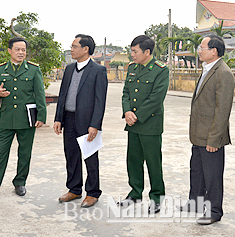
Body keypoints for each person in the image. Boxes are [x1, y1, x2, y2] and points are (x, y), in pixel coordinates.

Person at [0, 37, 46, 202]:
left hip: (26, 119)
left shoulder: (33, 70)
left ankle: (20, 182)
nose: (21, 52)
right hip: (7, 119)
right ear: (10, 50)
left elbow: (40, 94)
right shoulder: (1, 70)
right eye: (18, 49)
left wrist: (42, 116)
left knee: (25, 153)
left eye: (23, 50)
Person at [185, 34, 235, 225]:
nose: (198, 50)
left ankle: (214, 211)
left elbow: (222, 110)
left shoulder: (223, 73)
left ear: (214, 51)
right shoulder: (207, 69)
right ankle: (196, 203)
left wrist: (214, 139)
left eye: (202, 47)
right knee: (197, 171)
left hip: (211, 137)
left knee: (212, 175)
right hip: (199, 134)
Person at [54, 34, 108, 208]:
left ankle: (92, 193)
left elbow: (100, 101)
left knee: (90, 157)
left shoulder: (98, 71)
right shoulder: (69, 69)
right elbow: (62, 95)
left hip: (87, 122)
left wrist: (95, 125)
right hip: (69, 119)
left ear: (85, 49)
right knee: (71, 156)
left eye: (74, 46)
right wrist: (58, 119)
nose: (71, 49)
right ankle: (74, 189)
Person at [118, 35, 169, 214]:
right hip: (132, 123)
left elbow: (156, 98)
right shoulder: (132, 68)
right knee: (133, 160)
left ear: (147, 52)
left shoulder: (160, 70)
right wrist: (127, 112)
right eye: (131, 51)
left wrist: (137, 116)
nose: (132, 55)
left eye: (135, 51)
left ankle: (157, 196)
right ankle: (135, 192)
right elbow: (126, 92)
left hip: (150, 124)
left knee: (153, 162)